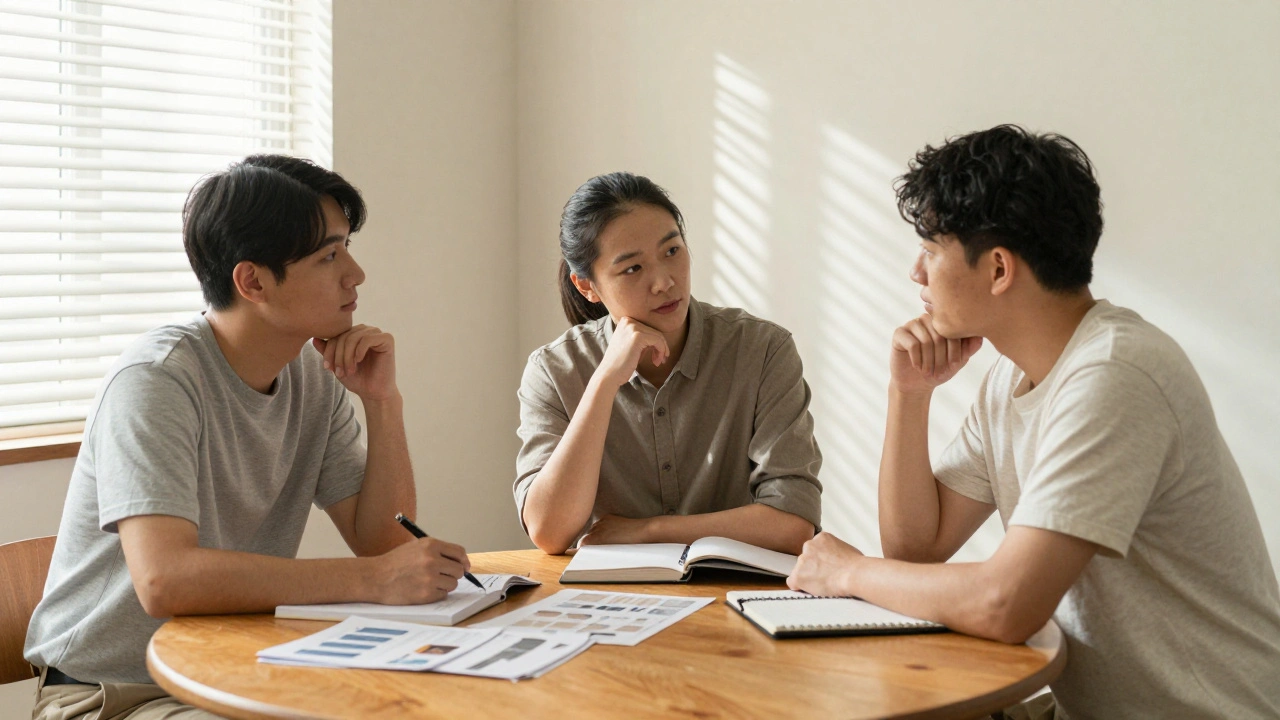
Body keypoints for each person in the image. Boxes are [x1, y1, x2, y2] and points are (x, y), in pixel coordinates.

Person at [788, 125, 1280, 719]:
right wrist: (908, 392)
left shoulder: (1116, 373)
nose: (916, 272)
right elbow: (917, 547)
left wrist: (850, 573)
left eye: (932, 248)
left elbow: (1005, 604)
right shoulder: (1010, 378)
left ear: (998, 269)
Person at [24, 155, 472, 719]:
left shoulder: (312, 377)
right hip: (112, 693)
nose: (355, 274)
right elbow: (166, 582)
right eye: (329, 255)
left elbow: (386, 544)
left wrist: (383, 403)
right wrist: (372, 580)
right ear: (252, 280)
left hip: (236, 670)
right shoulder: (157, 381)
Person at [515, 172, 822, 556]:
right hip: (610, 604)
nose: (664, 281)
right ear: (586, 287)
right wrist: (605, 381)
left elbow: (793, 524)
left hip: (734, 596)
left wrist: (649, 531)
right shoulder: (554, 370)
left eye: (672, 251)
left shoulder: (761, 350)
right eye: (632, 269)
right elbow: (549, 531)